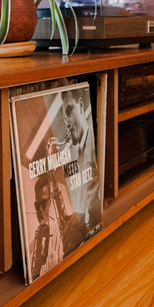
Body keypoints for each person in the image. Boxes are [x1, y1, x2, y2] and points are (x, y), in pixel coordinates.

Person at [49, 87, 101, 239]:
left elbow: (95, 204)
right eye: (64, 119)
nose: (67, 124)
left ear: (81, 105)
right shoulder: (79, 152)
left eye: (69, 111)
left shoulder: (94, 143)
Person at [30, 174, 64, 279]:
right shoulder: (31, 246)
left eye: (44, 203)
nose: (40, 210)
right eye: (37, 205)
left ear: (50, 202)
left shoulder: (60, 234)